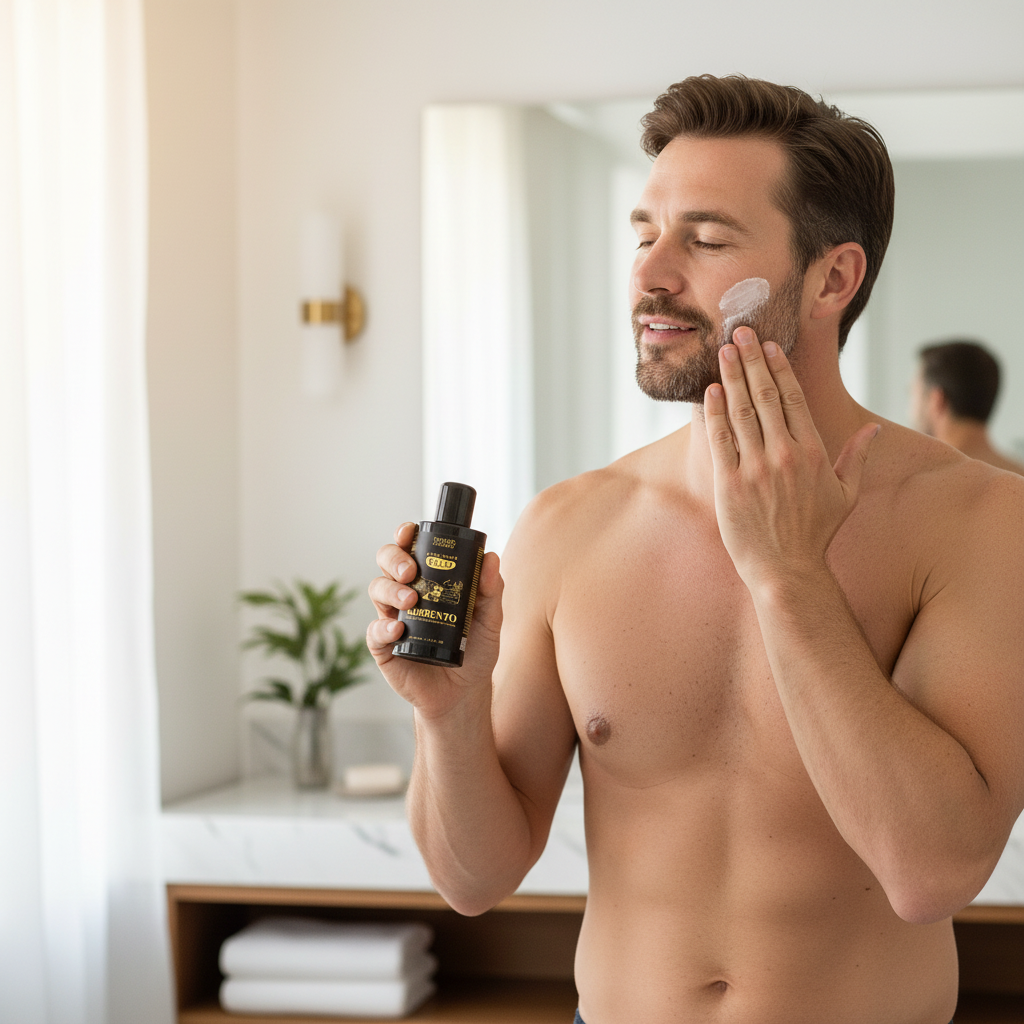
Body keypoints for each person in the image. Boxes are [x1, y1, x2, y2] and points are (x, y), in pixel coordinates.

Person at [368, 75, 1024, 1024]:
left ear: (834, 279)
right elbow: (473, 879)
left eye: (706, 240)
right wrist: (448, 713)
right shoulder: (571, 526)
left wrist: (789, 576)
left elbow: (933, 875)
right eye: (644, 235)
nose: (651, 273)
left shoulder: (978, 522)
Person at [912, 338, 1024, 475]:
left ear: (937, 400)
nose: (910, 411)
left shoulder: (922, 480)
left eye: (912, 394)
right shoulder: (1019, 477)